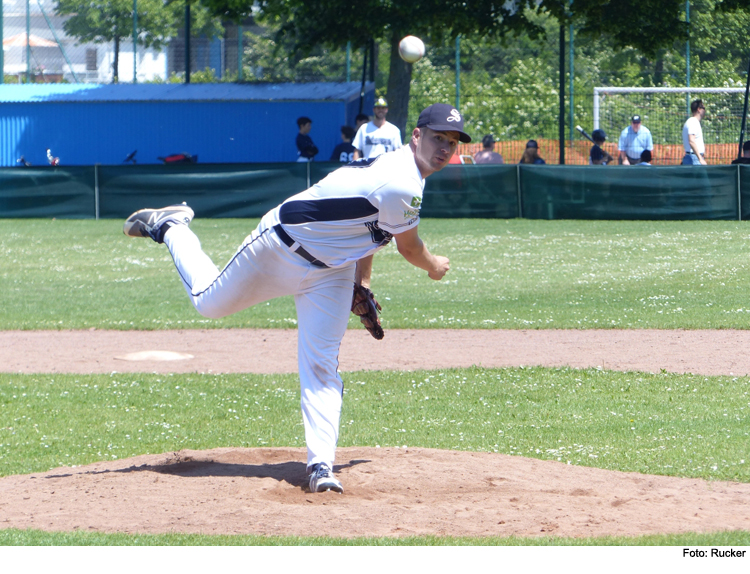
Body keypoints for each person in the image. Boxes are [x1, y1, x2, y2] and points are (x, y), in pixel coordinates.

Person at [122, 103, 471, 495]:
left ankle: (321, 465)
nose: (445, 147)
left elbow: (372, 228)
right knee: (208, 302)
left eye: (453, 141)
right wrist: (433, 266)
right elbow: (410, 248)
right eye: (438, 137)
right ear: (417, 136)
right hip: (279, 249)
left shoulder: (403, 174)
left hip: (332, 271)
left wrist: (363, 281)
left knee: (321, 364)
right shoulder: (402, 180)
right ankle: (171, 227)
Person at [681, 100, 707, 166]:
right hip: (694, 159)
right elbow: (691, 141)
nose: (705, 110)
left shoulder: (693, 122)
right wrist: (700, 158)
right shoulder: (693, 122)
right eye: (703, 108)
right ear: (699, 109)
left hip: (693, 157)